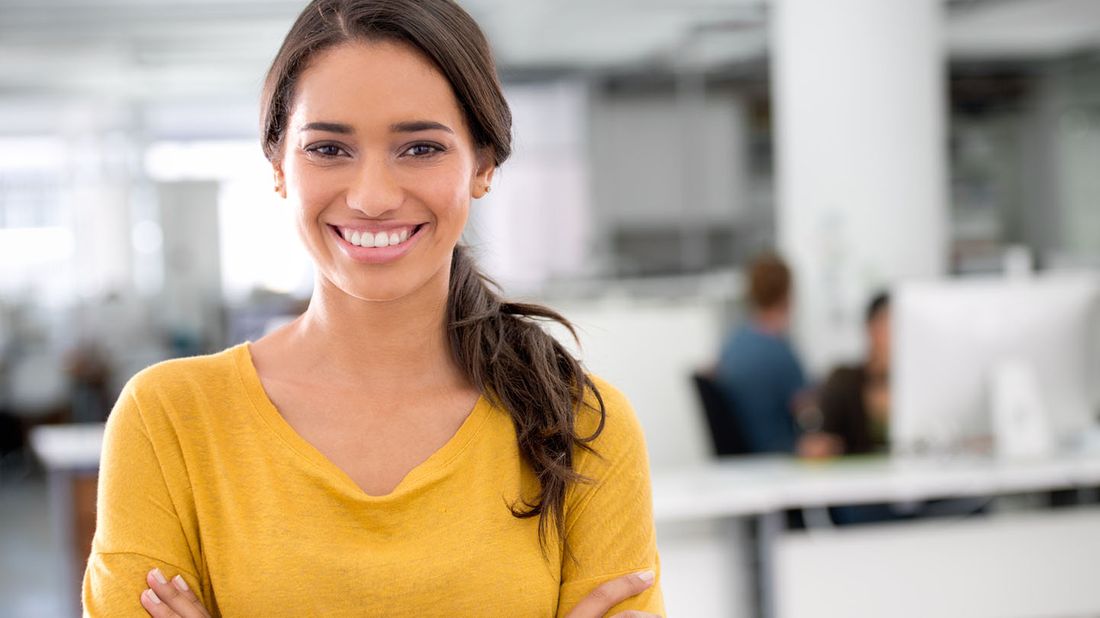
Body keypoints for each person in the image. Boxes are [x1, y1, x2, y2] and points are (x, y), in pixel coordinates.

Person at [82, 1, 663, 616]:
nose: (374, 197)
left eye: (419, 149)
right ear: (279, 165)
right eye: (329, 149)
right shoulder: (169, 419)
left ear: (484, 164)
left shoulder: (578, 424)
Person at [714, 253, 810, 454]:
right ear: (787, 295)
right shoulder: (781, 353)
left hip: (746, 452)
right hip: (778, 451)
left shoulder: (733, 344)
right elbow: (807, 410)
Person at [799, 292, 891, 458]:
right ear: (871, 328)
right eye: (888, 325)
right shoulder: (844, 381)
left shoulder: (916, 388)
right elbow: (821, 440)